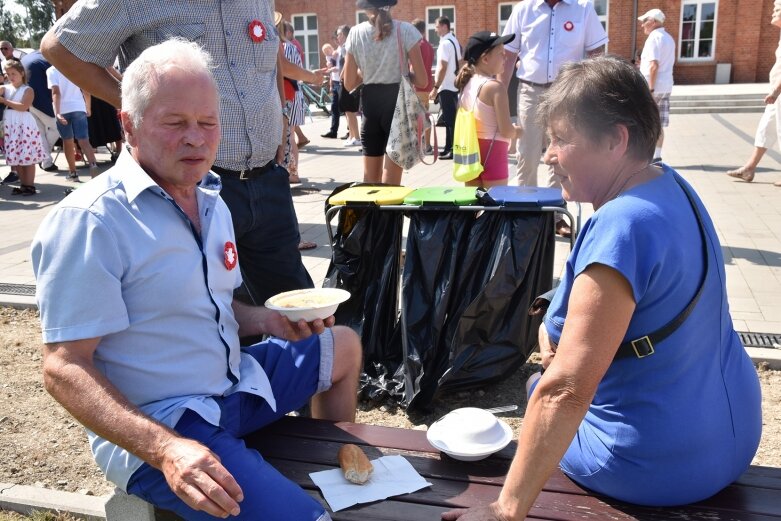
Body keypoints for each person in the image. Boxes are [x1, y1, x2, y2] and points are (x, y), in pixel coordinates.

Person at [31, 39, 362, 521]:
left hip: (232, 389)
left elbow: (212, 306)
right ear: (129, 125)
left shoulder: (210, 199)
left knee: (344, 346)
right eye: (175, 123)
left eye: (207, 123)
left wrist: (267, 321)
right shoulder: (91, 221)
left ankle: (330, 472)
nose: (197, 139)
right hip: (167, 423)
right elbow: (63, 369)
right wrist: (166, 450)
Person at [441, 56, 762, 521]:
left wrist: (503, 511)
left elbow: (566, 390)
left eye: (560, 139)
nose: (548, 155)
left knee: (537, 389)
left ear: (616, 139)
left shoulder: (620, 225)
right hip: (734, 436)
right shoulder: (673, 185)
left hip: (658, 466)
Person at [40, 0, 315, 309]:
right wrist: (139, 107)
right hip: (189, 187)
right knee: (214, 316)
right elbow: (59, 47)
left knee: (297, 311)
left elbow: (271, 57)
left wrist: (279, 119)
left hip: (267, 179)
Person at [501, 0, 608, 238]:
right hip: (530, 90)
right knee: (526, 153)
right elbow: (508, 56)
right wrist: (498, 94)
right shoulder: (523, 10)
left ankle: (555, 215)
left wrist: (591, 90)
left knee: (560, 155)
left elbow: (597, 53)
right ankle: (525, 212)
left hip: (566, 91)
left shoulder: (583, 8)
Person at [343, 0, 427, 185]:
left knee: (370, 181)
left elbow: (349, 83)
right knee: (391, 184)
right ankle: (390, 215)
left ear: (365, 9)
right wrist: (404, 72)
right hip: (396, 105)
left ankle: (371, 215)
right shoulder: (405, 31)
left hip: (370, 106)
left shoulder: (355, 33)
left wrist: (368, 70)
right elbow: (422, 80)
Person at [455, 31, 522, 188]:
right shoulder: (495, 87)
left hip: (471, 153)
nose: (505, 58)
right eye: (501, 54)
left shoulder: (467, 83)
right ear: (485, 59)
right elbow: (506, 131)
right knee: (495, 209)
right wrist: (519, 131)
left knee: (473, 207)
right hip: (494, 153)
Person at [726, 0, 781, 187]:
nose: (773, 11)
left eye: (777, 8)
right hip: (777, 94)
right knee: (766, 129)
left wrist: (775, 90)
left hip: (779, 92)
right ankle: (749, 168)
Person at [0, 59, 47, 195]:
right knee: (16, 157)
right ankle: (23, 185)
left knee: (28, 155)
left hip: (24, 125)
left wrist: (5, 101)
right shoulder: (5, 88)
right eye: (7, 74)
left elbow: (24, 107)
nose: (10, 77)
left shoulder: (28, 89)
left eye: (13, 73)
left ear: (21, 73)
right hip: (10, 125)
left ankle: (30, 185)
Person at [47, 65, 99, 181]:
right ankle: (93, 165)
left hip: (63, 109)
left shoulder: (51, 70)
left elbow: (56, 92)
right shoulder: (74, 67)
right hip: (78, 106)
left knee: (67, 141)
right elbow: (85, 89)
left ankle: (73, 172)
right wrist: (88, 107)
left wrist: (58, 112)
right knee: (84, 140)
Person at [638, 8, 675, 163]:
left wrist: (650, 90)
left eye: (645, 21)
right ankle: (657, 155)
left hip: (653, 87)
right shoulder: (668, 38)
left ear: (653, 21)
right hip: (665, 86)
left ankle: (645, 155)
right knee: (658, 123)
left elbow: (654, 65)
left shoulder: (654, 38)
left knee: (645, 121)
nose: (642, 25)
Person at [20, 50, 60, 172]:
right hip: (41, 100)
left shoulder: (26, 58)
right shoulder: (47, 59)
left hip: (27, 99)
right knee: (58, 127)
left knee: (40, 132)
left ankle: (46, 161)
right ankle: (44, 157)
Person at [429, 16, 461, 160]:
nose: (435, 30)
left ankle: (452, 150)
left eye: (436, 26)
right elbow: (460, 62)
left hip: (446, 86)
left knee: (449, 121)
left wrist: (436, 87)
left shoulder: (444, 44)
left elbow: (442, 67)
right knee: (451, 119)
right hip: (453, 85)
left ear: (443, 26)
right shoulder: (454, 41)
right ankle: (449, 148)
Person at [335, 25, 362, 147]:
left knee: (350, 111)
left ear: (345, 35)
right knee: (347, 110)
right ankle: (351, 135)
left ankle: (356, 137)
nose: (338, 37)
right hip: (347, 81)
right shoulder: (344, 47)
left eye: (340, 34)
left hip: (348, 81)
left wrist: (341, 75)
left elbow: (347, 63)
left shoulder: (347, 46)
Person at [412, 18, 435, 155]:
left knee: (417, 118)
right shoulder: (429, 45)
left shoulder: (417, 45)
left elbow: (414, 68)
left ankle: (420, 146)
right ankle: (427, 145)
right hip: (428, 86)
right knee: (426, 116)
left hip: (418, 86)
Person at [322, 42, 342, 139]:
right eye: (325, 52)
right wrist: (330, 85)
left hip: (341, 82)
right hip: (334, 82)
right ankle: (333, 131)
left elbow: (340, 67)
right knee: (334, 108)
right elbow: (331, 73)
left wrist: (333, 67)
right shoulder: (328, 57)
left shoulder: (337, 53)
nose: (327, 53)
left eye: (328, 50)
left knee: (345, 108)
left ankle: (350, 131)